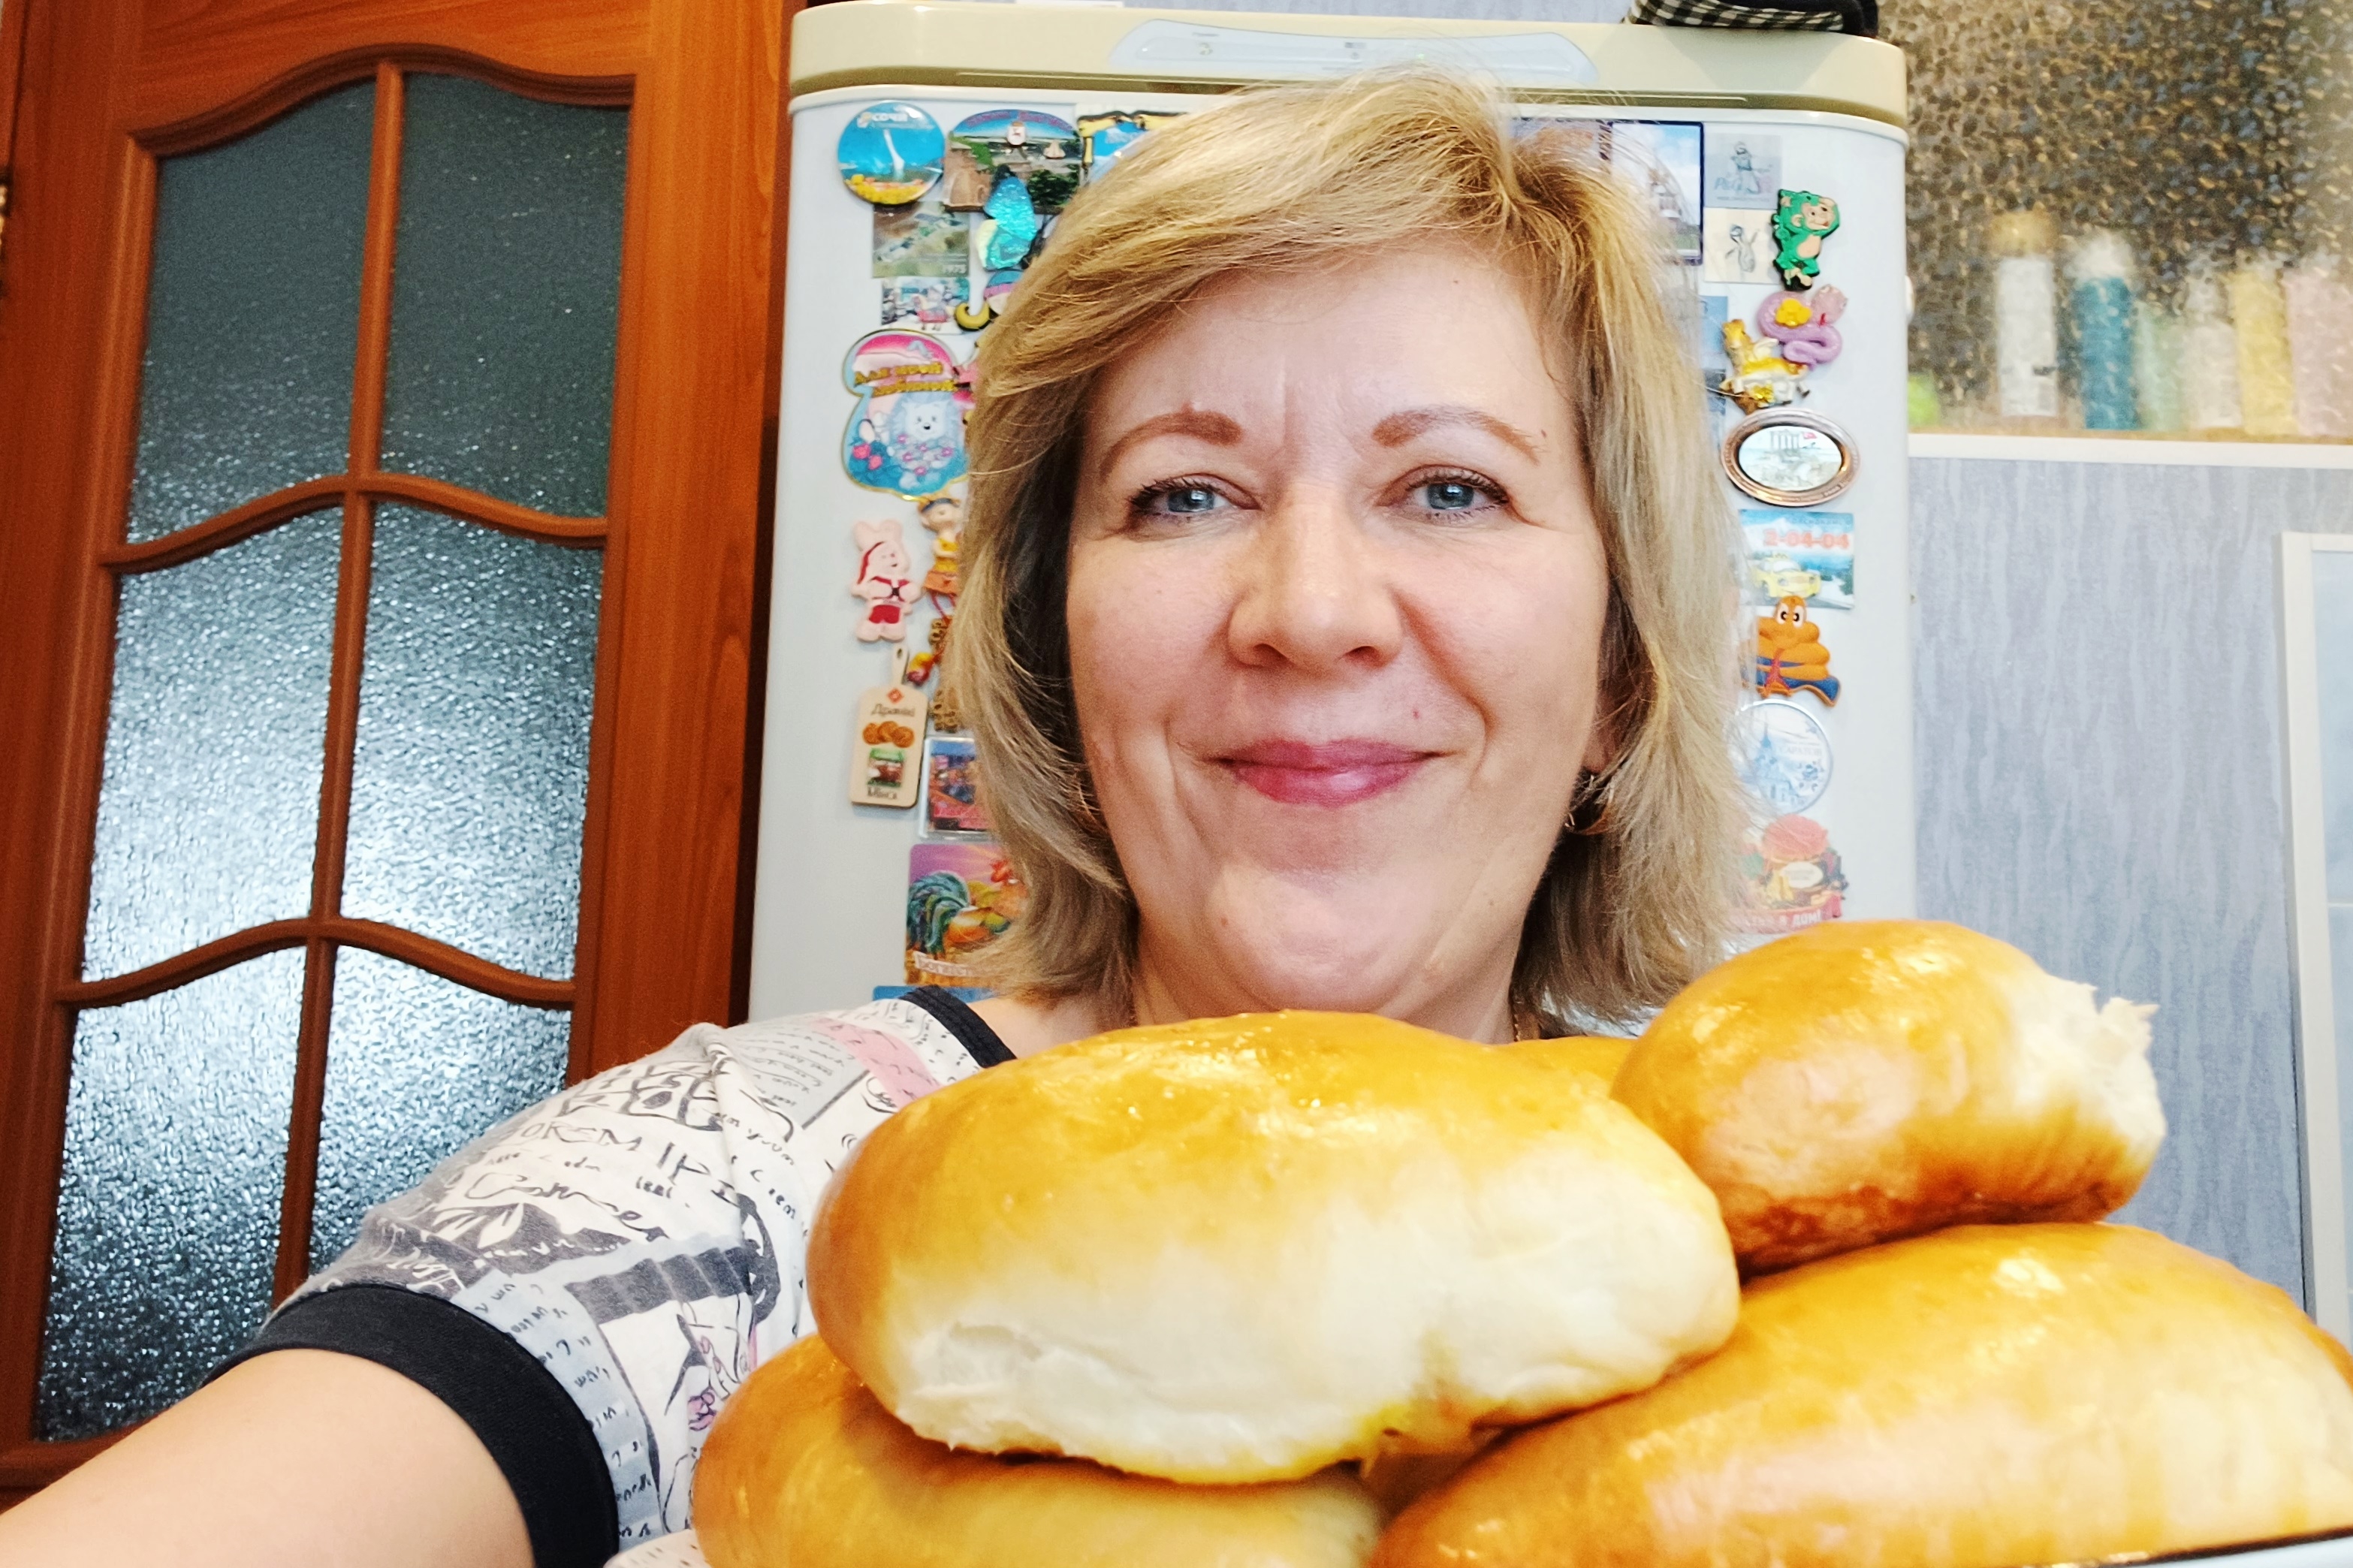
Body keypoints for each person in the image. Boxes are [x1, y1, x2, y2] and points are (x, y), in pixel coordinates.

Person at [0, 71, 1744, 1566]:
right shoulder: (731, 1188)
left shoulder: (1767, 1231)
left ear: (1616, 668)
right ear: (1053, 649)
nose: (1306, 610)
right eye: (1184, 494)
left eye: (1449, 488)